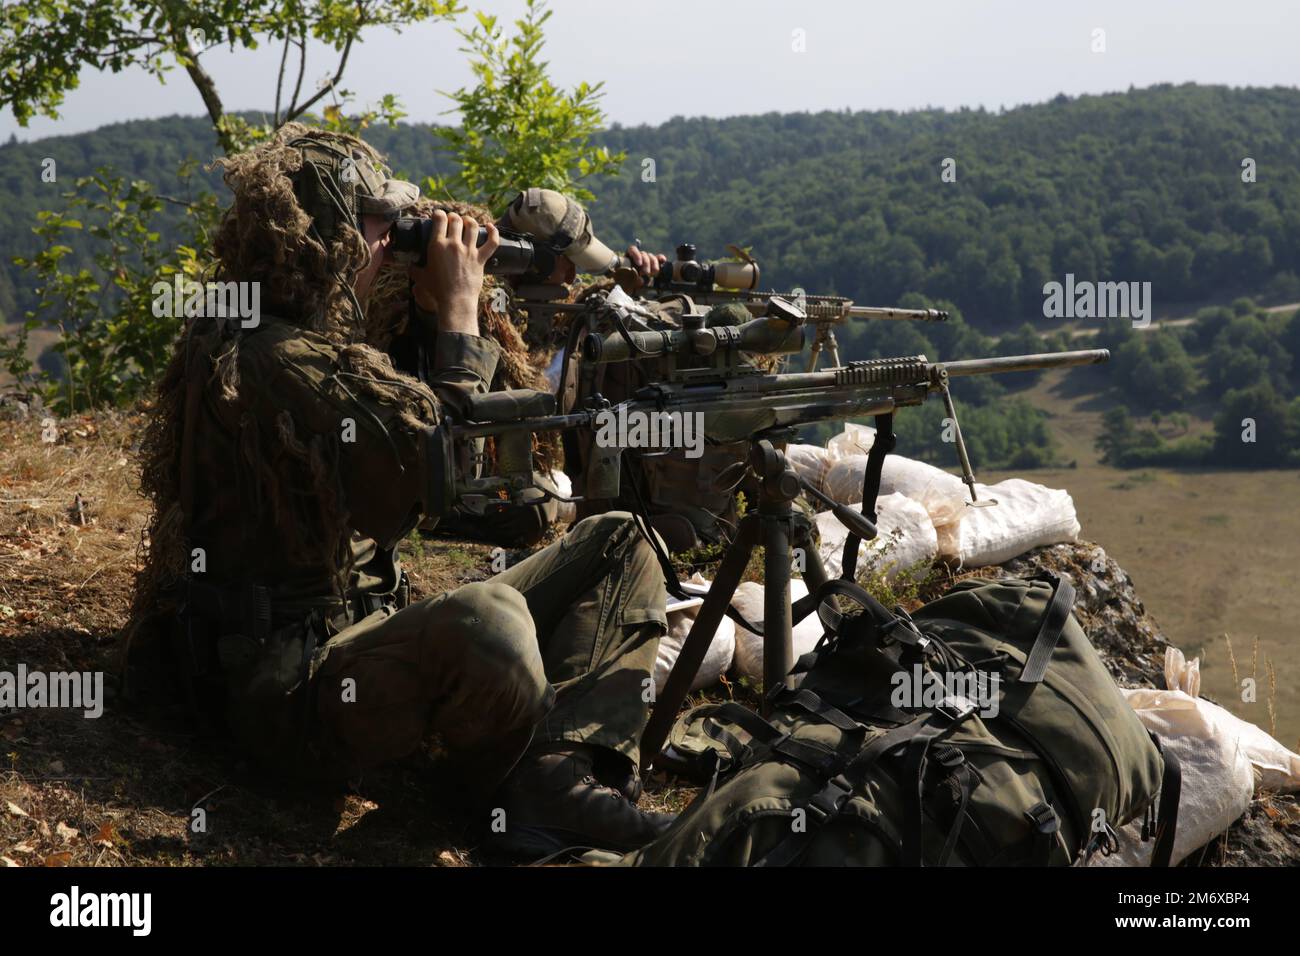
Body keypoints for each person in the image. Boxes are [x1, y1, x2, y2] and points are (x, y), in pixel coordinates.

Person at [121, 123, 674, 857]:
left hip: (355, 632)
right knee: (492, 621)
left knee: (621, 542)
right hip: (288, 692)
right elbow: (429, 472)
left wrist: (429, 307)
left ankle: (559, 776)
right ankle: (517, 787)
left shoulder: (306, 327)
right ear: (331, 235)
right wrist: (456, 313)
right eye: (381, 225)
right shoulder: (268, 355)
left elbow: (390, 412)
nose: (392, 241)